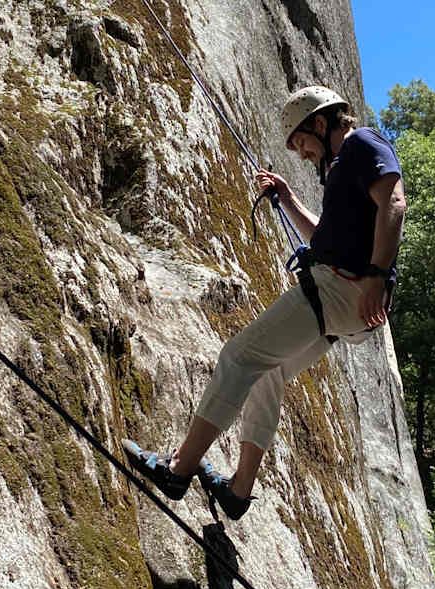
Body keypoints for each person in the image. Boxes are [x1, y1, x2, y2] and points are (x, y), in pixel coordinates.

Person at [122, 85, 406, 520]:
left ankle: (179, 468)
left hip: (342, 290)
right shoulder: (339, 170)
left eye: (302, 142)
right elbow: (324, 237)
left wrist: (376, 274)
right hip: (348, 306)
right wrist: (289, 199)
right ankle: (238, 490)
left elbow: (395, 202)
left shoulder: (362, 143)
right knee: (267, 373)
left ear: (320, 121)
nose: (302, 153)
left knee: (238, 356)